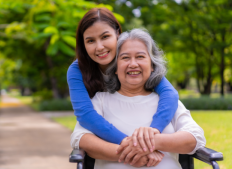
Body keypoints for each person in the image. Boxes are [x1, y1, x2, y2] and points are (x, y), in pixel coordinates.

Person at [70, 28, 206, 169]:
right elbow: (80, 138)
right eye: (125, 58)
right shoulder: (101, 100)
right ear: (115, 67)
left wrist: (153, 141)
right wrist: (135, 153)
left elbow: (196, 137)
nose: (133, 64)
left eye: (140, 57)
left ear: (152, 65)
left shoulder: (167, 102)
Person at [67, 7, 179, 155]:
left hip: (140, 121)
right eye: (90, 41)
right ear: (83, 44)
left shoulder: (134, 64)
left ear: (118, 35)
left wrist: (152, 132)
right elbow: (86, 115)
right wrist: (131, 144)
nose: (99, 47)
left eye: (105, 37)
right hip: (105, 140)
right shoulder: (77, 70)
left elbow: (170, 94)